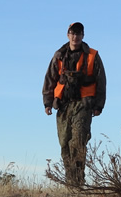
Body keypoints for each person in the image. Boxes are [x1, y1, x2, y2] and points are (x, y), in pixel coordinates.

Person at [43, 22, 106, 185]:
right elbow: (50, 79)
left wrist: (99, 105)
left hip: (83, 105)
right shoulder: (59, 55)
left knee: (78, 141)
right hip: (63, 105)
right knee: (65, 143)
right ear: (67, 35)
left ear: (83, 35)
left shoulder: (92, 55)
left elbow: (101, 81)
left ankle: (77, 182)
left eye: (78, 33)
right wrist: (47, 102)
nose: (75, 36)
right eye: (72, 33)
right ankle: (71, 181)